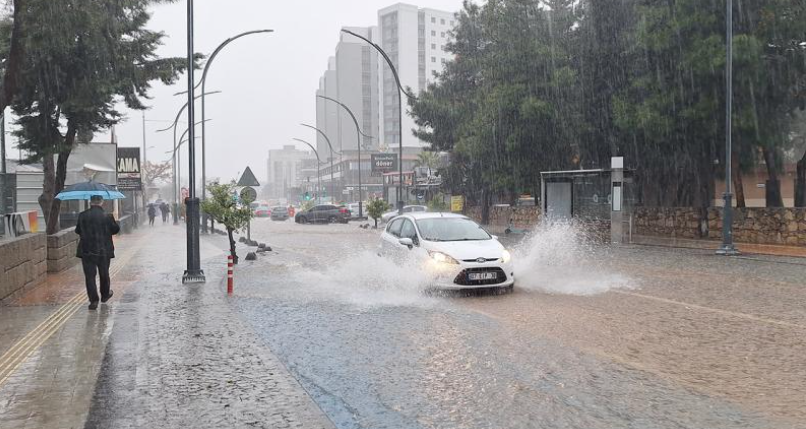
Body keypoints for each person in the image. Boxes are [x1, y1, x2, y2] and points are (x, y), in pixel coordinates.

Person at [75, 195, 120, 310]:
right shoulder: (107, 216)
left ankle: (93, 301)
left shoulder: (82, 215)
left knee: (90, 276)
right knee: (104, 273)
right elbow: (115, 230)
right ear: (101, 202)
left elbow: (78, 230)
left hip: (87, 250)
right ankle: (105, 295)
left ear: (91, 202)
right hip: (103, 250)